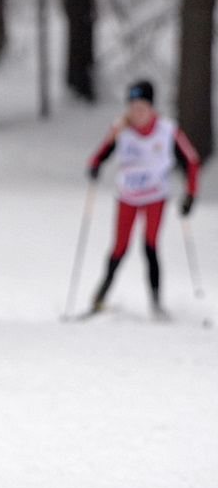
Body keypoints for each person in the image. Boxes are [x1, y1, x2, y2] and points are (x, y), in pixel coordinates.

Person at [87, 79, 199, 316]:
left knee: (149, 245)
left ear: (152, 108)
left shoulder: (167, 130)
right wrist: (95, 166)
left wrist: (190, 193)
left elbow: (191, 160)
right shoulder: (120, 128)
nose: (137, 114)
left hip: (155, 197)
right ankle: (100, 297)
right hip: (127, 196)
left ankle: (157, 303)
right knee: (119, 247)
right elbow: (100, 153)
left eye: (142, 108)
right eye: (133, 108)